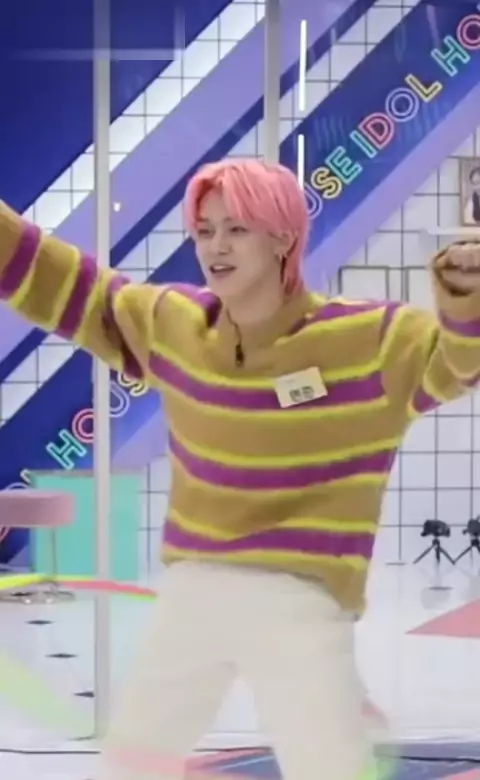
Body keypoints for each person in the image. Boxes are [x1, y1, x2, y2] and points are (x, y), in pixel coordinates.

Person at [1, 158, 480, 780]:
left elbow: (456, 366)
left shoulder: (370, 341)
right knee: (134, 762)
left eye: (236, 229)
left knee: (328, 765)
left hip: (301, 596)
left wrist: (465, 300)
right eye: (204, 231)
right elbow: (61, 282)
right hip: (196, 587)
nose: (215, 247)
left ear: (282, 237)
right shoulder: (174, 325)